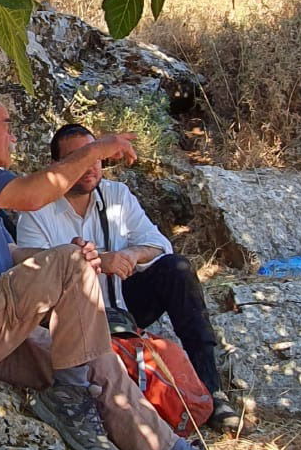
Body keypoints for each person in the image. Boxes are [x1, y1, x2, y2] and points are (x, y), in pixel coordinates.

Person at [0, 90, 264, 450]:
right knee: (73, 277)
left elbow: (10, 257)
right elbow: (34, 195)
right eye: (7, 125)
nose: (13, 137)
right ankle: (70, 401)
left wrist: (73, 259)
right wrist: (98, 149)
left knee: (97, 356)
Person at [16, 121, 240, 430]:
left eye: (95, 157)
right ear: (58, 166)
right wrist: (94, 263)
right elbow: (35, 278)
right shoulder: (37, 209)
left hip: (121, 308)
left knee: (178, 270)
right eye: (78, 159)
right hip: (71, 320)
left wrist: (132, 255)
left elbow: (159, 244)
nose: (90, 167)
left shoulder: (116, 194)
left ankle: (211, 390)